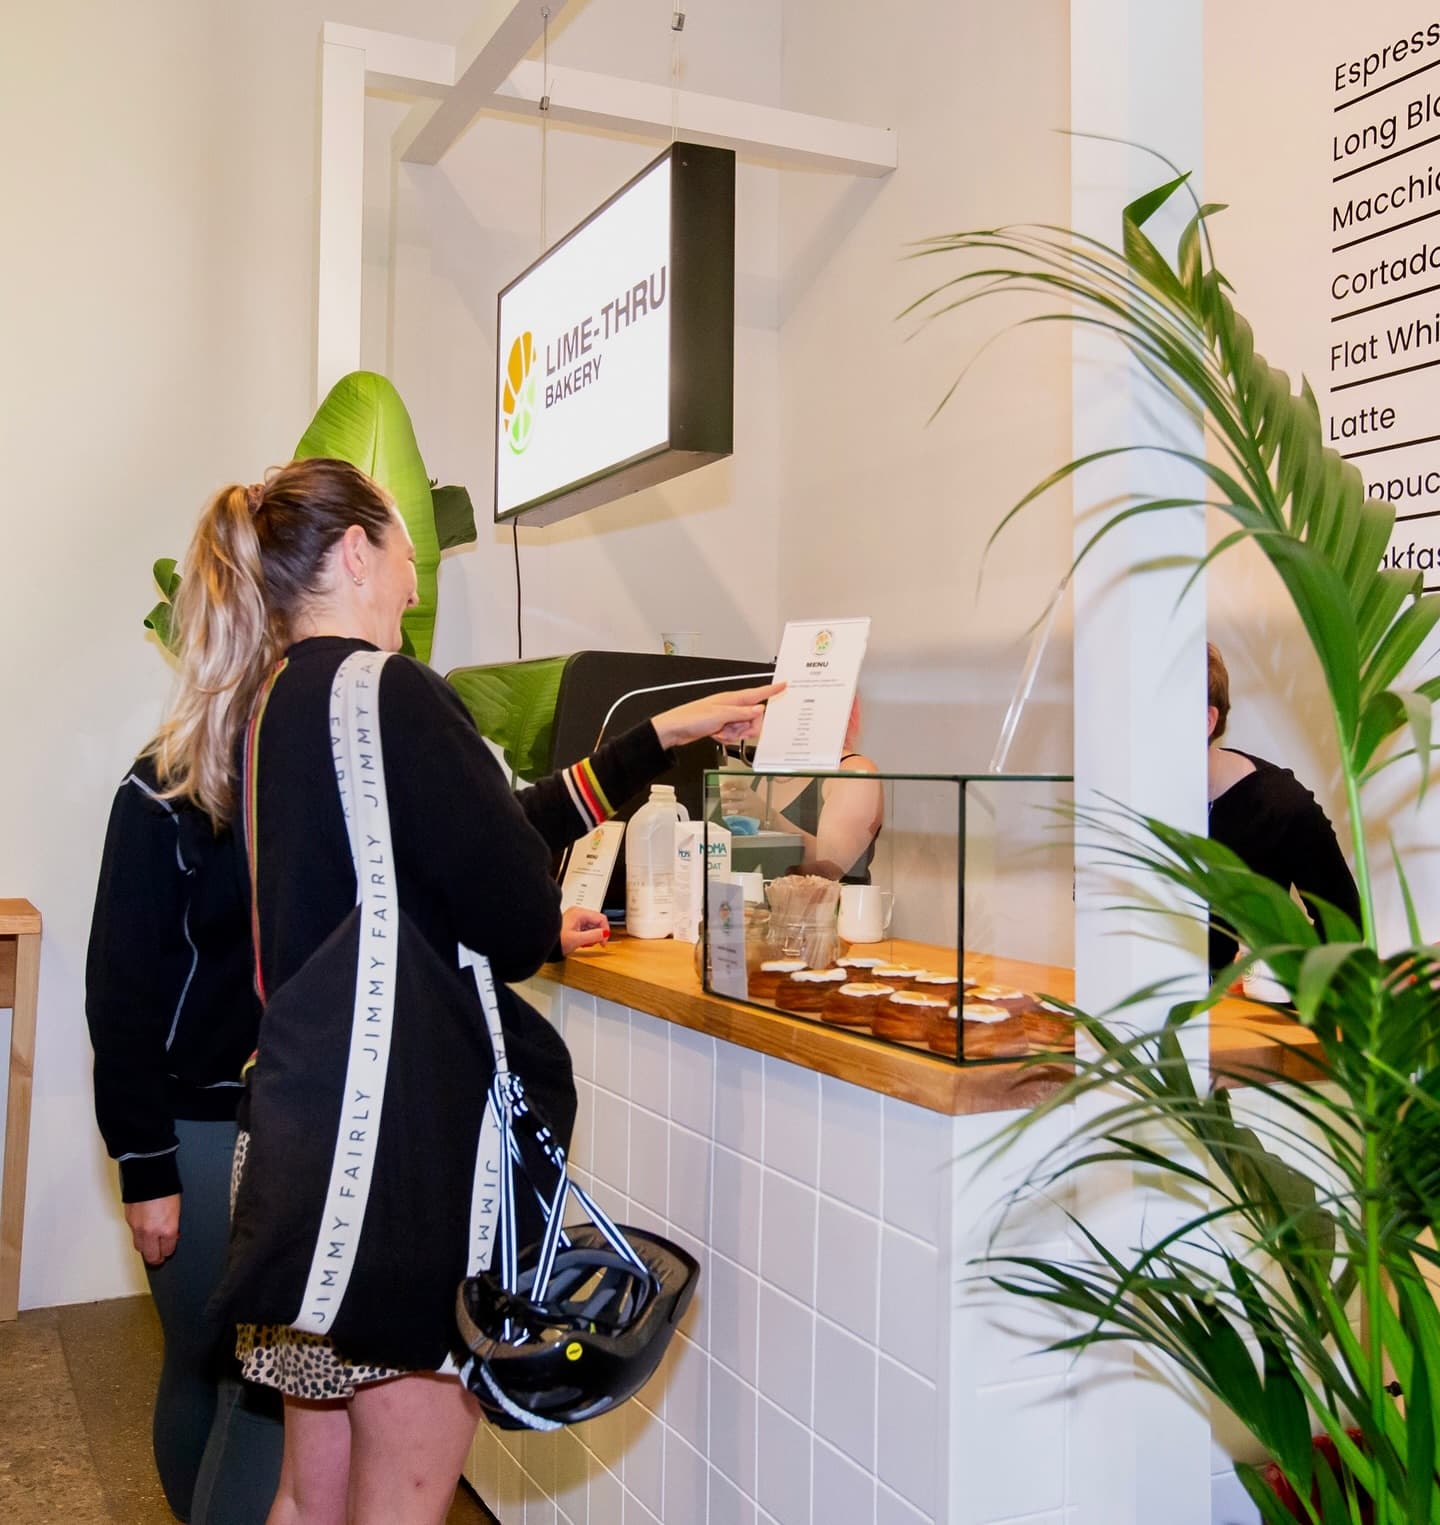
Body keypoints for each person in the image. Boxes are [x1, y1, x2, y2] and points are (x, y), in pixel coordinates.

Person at [148, 457, 776, 1525]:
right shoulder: (389, 691)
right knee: (402, 1500)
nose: (409, 584)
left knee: (308, 1495)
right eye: (400, 556)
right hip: (405, 1170)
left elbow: (450, 845)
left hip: (309, 1152)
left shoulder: (274, 710)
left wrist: (656, 738)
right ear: (356, 553)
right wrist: (533, 914)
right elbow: (515, 919)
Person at [86, 761, 284, 1524]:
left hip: (294, 1119)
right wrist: (144, 1167)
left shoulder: (318, 762)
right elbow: (118, 990)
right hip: (196, 1131)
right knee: (216, 1372)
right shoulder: (161, 792)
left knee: (254, 1385)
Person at [1206, 641, 1362, 971]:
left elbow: (1344, 930)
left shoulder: (1280, 806)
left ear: (1207, 720)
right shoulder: (1132, 794)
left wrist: (1270, 978)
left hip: (1225, 1013)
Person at [720, 698, 883, 882]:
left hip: (835, 909)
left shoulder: (855, 771)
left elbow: (831, 866)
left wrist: (768, 818)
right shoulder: (770, 772)